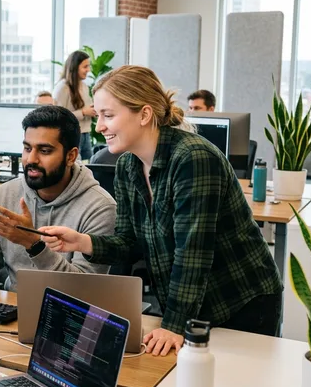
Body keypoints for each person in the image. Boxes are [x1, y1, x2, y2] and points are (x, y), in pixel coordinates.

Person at [39, 66, 282, 356]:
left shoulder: (193, 158)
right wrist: (83, 242)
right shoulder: (129, 166)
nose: (99, 126)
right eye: (99, 115)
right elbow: (130, 243)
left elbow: (193, 253)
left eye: (108, 115)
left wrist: (174, 324)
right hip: (192, 306)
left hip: (241, 301)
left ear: (143, 114)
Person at [0, 106, 116, 297]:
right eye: (27, 148)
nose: (31, 159)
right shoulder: (6, 193)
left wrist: (34, 245)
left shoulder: (99, 207)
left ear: (71, 156)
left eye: (44, 151)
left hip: (66, 316)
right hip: (12, 307)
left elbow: (82, 291)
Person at [53, 50, 95, 160]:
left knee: (89, 168)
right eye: (85, 66)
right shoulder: (62, 88)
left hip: (85, 133)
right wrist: (83, 112)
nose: (88, 70)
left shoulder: (84, 86)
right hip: (72, 135)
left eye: (88, 66)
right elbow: (59, 116)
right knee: (76, 170)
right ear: (75, 67)